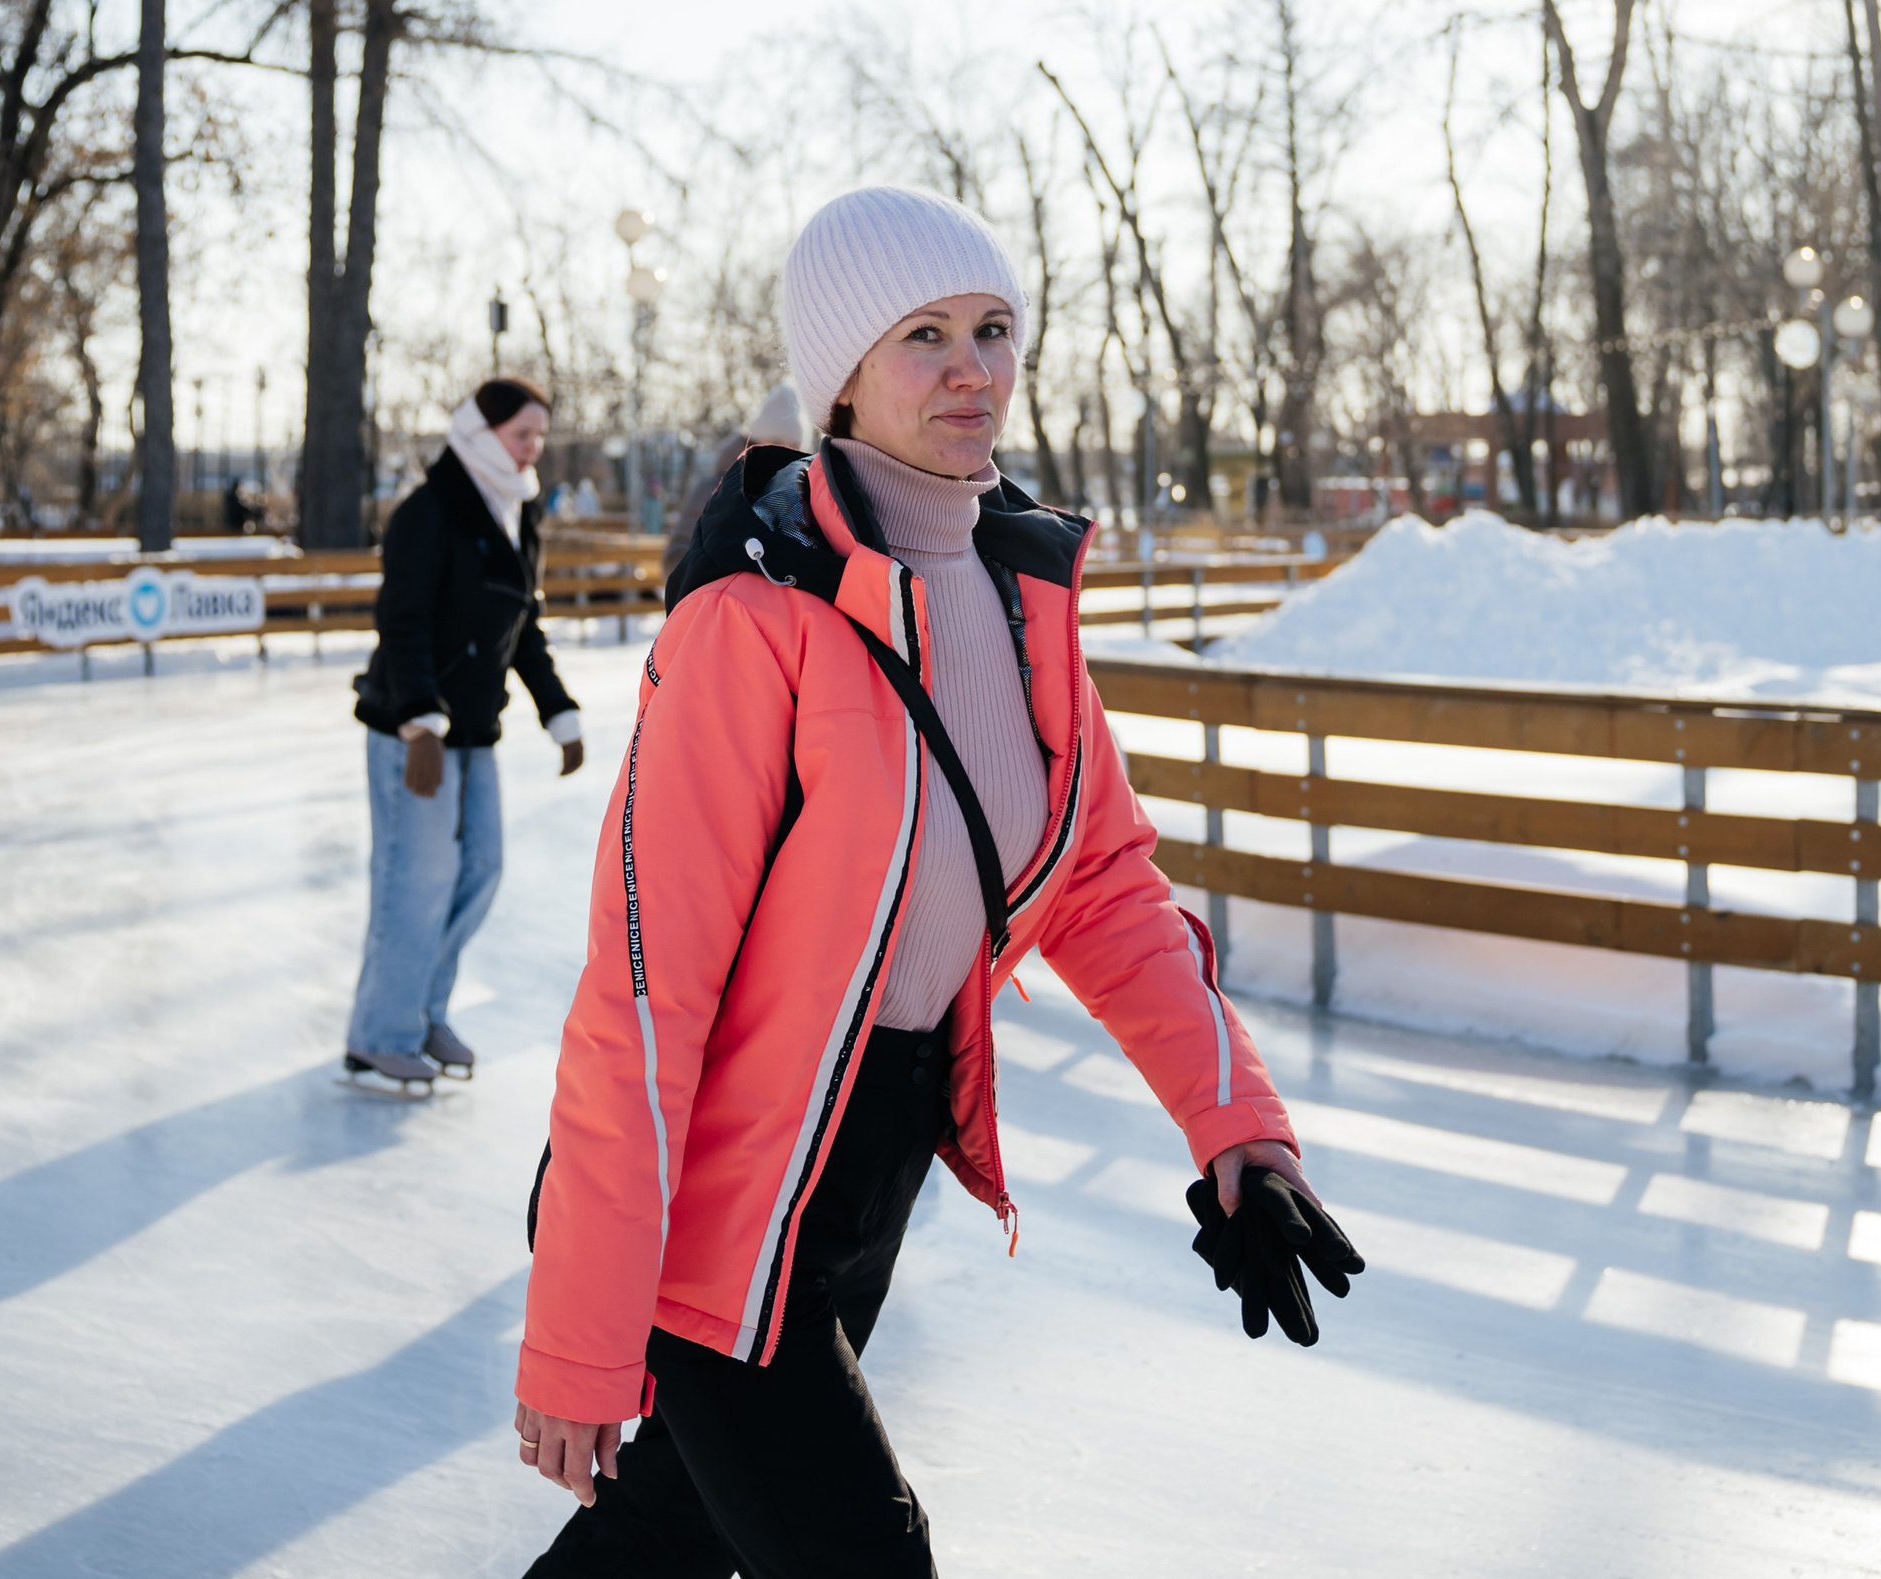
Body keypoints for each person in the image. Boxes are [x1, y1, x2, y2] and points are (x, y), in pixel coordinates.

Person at [511, 187, 1358, 1576]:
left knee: (658, 1545)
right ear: (840, 376)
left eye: (993, 329)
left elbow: (1103, 888)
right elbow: (644, 996)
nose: (972, 369)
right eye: (923, 336)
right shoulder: (754, 622)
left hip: (872, 1169)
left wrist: (1237, 1128)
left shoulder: (1021, 600)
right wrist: (577, 1332)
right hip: (721, 1201)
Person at [345, 378, 587, 1093]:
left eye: (539, 436)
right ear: (481, 436)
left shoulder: (517, 508)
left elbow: (522, 626)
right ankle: (379, 1037)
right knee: (414, 883)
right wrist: (420, 719)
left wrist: (557, 710)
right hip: (414, 730)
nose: (533, 449)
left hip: (476, 729)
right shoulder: (429, 511)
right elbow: (403, 620)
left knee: (482, 867)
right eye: (522, 435)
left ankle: (422, 1011)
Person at [656, 381, 804, 581]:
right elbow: (674, 558)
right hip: (718, 597)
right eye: (777, 443)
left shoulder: (799, 496)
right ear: (755, 443)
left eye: (794, 447)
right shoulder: (712, 490)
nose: (786, 454)